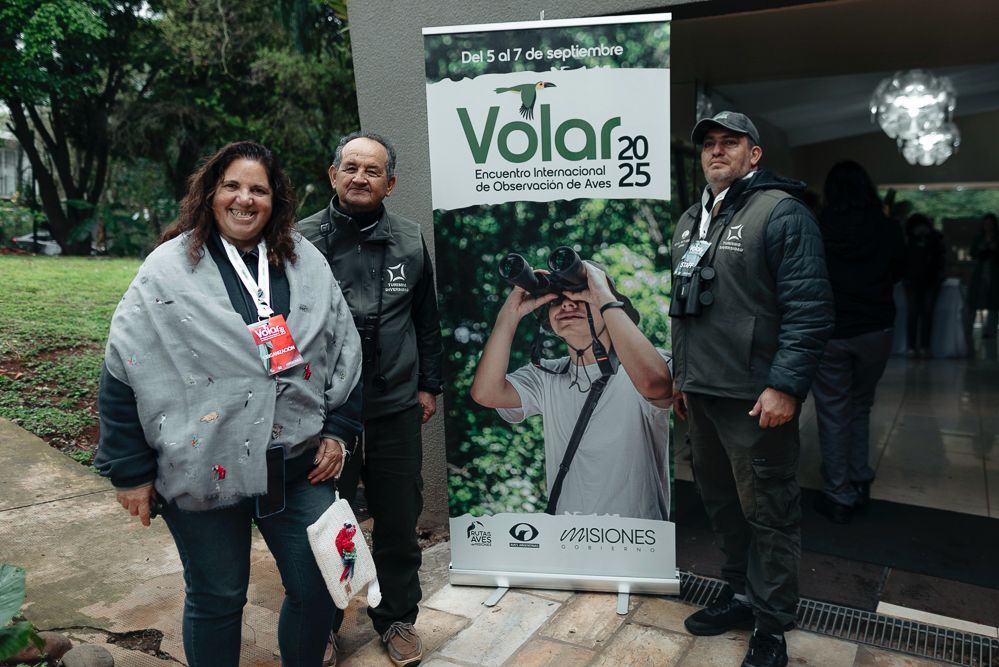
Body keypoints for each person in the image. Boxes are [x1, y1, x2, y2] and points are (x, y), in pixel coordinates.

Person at [95, 141, 363, 667]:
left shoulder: (305, 260)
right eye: (232, 186)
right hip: (201, 468)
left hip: (294, 464)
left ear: (275, 199)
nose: (244, 199)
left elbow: (344, 349)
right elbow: (124, 367)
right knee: (217, 597)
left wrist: (338, 429)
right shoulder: (167, 269)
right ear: (210, 193)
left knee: (322, 585)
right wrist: (130, 472)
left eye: (258, 189)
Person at [670, 111, 832, 667]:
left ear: (754, 153)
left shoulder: (782, 213)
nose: (717, 151)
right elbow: (684, 308)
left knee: (768, 511)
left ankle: (771, 625)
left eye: (730, 142)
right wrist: (682, 377)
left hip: (756, 399)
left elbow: (810, 310)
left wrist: (785, 386)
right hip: (703, 394)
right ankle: (740, 596)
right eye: (708, 144)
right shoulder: (690, 219)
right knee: (722, 505)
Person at [298, 131, 443, 667]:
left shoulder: (409, 238)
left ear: (390, 183)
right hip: (322, 413)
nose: (360, 177)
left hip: (394, 407)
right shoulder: (299, 240)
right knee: (323, 525)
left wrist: (428, 385)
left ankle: (397, 618)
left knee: (399, 519)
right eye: (351, 167)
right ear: (333, 174)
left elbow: (426, 321)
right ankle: (321, 625)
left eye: (373, 170)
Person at [469, 258, 673, 519]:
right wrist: (509, 314)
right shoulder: (546, 376)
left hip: (635, 535)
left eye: (581, 295)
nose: (567, 304)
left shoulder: (650, 364)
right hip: (566, 534)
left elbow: (654, 384)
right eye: (557, 300)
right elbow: (486, 393)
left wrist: (603, 294)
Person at [810, 161, 905, 524]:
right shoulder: (887, 227)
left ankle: (838, 493)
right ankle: (859, 478)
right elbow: (899, 271)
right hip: (876, 330)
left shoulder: (819, 226)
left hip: (831, 330)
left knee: (833, 410)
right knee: (861, 405)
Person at [902, 213, 945, 357]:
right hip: (917, 281)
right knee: (920, 314)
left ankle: (917, 347)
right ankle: (918, 347)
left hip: (925, 281)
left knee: (920, 314)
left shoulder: (930, 239)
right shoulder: (911, 240)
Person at [968, 212, 999, 339]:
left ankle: (990, 331)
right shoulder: (978, 238)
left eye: (990, 223)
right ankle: (970, 330)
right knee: (977, 299)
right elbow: (973, 253)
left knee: (994, 303)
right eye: (986, 223)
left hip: (995, 272)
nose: (988, 226)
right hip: (980, 272)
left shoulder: (997, 238)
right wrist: (983, 250)